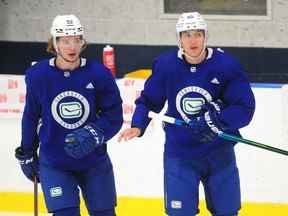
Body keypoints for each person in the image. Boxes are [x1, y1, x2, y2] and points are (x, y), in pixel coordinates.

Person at [118, 12, 255, 216]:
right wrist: (138, 125)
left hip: (219, 152)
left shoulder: (226, 65)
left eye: (198, 34)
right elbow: (149, 101)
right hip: (180, 154)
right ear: (179, 38)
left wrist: (215, 121)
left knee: (227, 212)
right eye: (187, 34)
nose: (193, 40)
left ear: (205, 36)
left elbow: (244, 107)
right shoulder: (166, 65)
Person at [15, 14, 123, 216]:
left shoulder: (99, 74)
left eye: (77, 40)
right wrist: (27, 152)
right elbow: (31, 115)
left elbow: (114, 115)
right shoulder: (38, 75)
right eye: (65, 41)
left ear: (83, 42)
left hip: (94, 162)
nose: (72, 47)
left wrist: (93, 133)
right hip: (55, 163)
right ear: (55, 43)